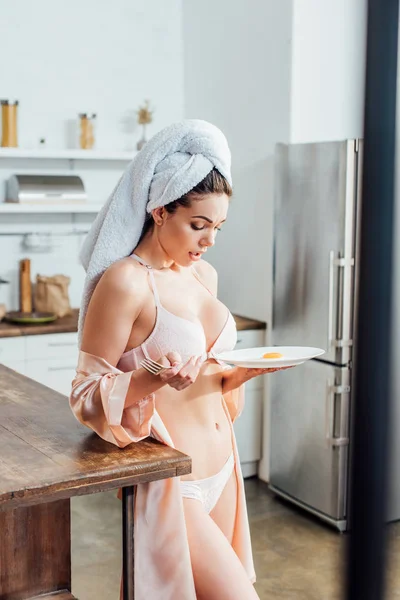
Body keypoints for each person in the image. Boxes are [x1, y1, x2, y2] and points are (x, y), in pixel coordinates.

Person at [69, 120, 285, 600]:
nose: (209, 241)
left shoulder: (203, 275)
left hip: (224, 467)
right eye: (198, 225)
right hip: (175, 481)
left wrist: (242, 373)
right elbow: (84, 395)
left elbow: (209, 384)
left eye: (218, 228)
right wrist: (151, 377)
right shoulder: (126, 282)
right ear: (160, 210)